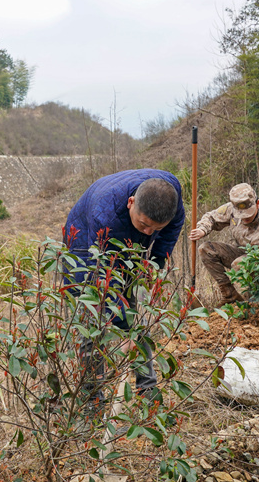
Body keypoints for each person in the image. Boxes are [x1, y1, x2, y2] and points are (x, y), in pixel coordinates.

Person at [64, 168, 184, 404]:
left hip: (125, 235)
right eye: (144, 224)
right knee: (93, 315)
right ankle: (92, 398)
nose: (149, 233)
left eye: (155, 229)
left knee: (133, 313)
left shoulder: (171, 196)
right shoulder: (104, 214)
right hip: (84, 243)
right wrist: (122, 328)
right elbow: (103, 279)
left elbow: (169, 234)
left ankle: (146, 389)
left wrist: (153, 265)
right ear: (131, 203)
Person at [188, 183, 259, 305]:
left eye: (248, 214)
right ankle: (229, 295)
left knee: (240, 264)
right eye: (240, 215)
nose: (244, 218)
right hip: (242, 252)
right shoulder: (232, 209)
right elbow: (211, 217)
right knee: (205, 249)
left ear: (257, 204)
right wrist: (202, 229)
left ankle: (254, 302)